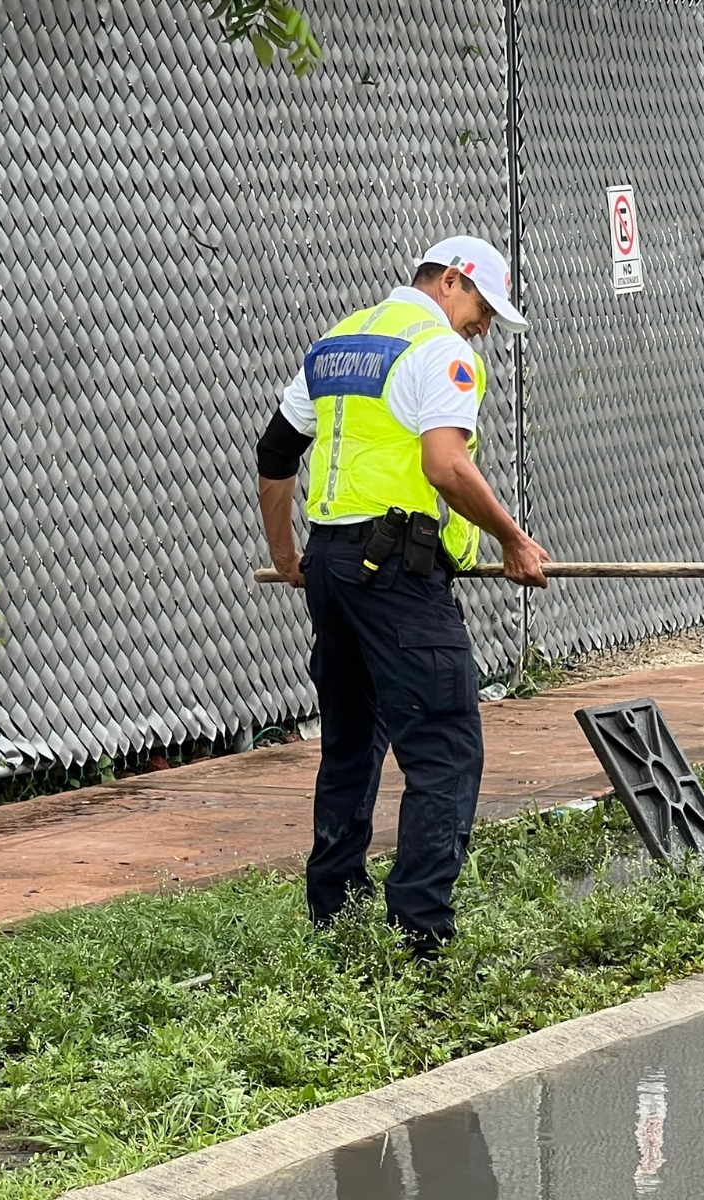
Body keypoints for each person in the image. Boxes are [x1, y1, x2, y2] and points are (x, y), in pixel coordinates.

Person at [255, 235, 550, 958]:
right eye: (482, 305)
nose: (483, 325)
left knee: (352, 744)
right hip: (397, 578)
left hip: (330, 570)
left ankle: (335, 914)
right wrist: (514, 539)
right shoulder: (440, 351)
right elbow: (446, 466)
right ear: (451, 281)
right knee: (445, 747)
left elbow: (274, 453)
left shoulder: (336, 343)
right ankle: (421, 937)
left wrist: (288, 554)